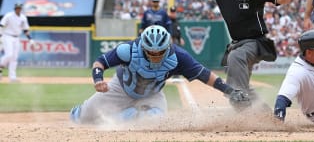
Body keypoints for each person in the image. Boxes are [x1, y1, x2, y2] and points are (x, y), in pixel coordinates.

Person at [154, 0, 294, 109]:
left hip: (256, 42)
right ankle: (263, 112)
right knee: (236, 82)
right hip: (237, 44)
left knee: (235, 58)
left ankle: (241, 105)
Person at [70, 25, 248, 124]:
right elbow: (100, 62)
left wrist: (230, 91)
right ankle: (81, 111)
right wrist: (98, 79)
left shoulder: (179, 57)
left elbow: (205, 75)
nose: (155, 56)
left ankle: (126, 115)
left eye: (159, 52)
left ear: (167, 48)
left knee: (155, 121)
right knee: (81, 118)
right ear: (143, 47)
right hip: (120, 88)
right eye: (150, 52)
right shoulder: (128, 50)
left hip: (152, 95)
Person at [0, 3, 33, 82]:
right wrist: (0, 36)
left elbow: (25, 30)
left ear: (21, 9)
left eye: (19, 8)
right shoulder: (8, 15)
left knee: (14, 58)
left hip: (16, 38)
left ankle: (12, 77)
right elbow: (1, 25)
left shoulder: (23, 18)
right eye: (16, 8)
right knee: (9, 55)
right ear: (14, 8)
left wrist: (30, 39)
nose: (18, 9)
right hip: (7, 36)